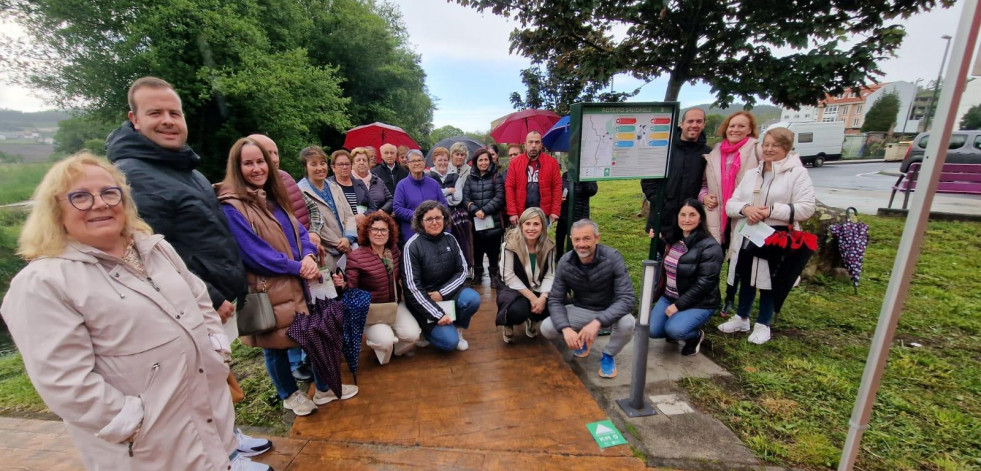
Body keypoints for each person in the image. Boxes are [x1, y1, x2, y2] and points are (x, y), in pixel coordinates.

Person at [0, 153, 263, 470]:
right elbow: (64, 382)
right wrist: (132, 422)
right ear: (56, 210)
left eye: (109, 193)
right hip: (148, 448)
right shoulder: (43, 283)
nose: (99, 204)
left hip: (209, 421)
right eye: (80, 197)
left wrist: (216, 350)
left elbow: (199, 299)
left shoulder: (154, 248)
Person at [105, 76, 271, 462]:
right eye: (155, 113)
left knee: (214, 374)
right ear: (134, 119)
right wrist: (210, 297)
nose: (168, 120)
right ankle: (222, 458)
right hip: (191, 303)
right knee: (195, 382)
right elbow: (148, 253)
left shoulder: (185, 168)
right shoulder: (135, 176)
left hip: (214, 293)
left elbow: (202, 230)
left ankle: (228, 436)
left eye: (174, 113)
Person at [218, 138, 358, 417]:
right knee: (273, 344)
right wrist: (298, 266)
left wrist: (307, 255)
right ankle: (289, 395)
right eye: (249, 163)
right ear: (236, 166)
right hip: (266, 285)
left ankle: (323, 388)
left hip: (299, 279)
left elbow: (300, 231)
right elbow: (254, 253)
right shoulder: (231, 206)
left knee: (312, 331)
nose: (257, 168)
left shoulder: (273, 196)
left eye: (262, 161)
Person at [718, 127, 815, 345]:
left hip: (776, 236)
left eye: (775, 145)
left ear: (787, 148)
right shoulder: (752, 174)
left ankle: (764, 323)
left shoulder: (797, 174)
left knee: (771, 278)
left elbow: (807, 208)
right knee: (745, 274)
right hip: (749, 233)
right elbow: (731, 203)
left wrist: (771, 211)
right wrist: (746, 209)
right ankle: (742, 317)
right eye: (766, 144)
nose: (769, 149)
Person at [249, 134, 316, 385]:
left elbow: (302, 217)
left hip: (300, 265)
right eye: (266, 154)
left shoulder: (284, 181)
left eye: (274, 153)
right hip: (271, 275)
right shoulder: (240, 197)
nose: (272, 159)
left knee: (302, 320)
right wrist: (299, 265)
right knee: (273, 338)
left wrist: (310, 245)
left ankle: (305, 361)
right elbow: (255, 250)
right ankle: (288, 389)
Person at [543, 219, 636, 379]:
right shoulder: (566, 262)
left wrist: (597, 323)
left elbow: (627, 298)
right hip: (582, 308)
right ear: (571, 239)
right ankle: (582, 340)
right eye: (577, 239)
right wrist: (566, 329)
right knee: (547, 327)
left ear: (597, 238)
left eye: (586, 238)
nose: (581, 244)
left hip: (610, 309)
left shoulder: (612, 258)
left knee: (628, 323)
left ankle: (608, 355)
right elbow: (555, 300)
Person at [701, 111, 761, 314]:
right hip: (717, 214)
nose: (735, 130)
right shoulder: (716, 151)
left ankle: (730, 298)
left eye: (741, 126)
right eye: (732, 126)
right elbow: (703, 185)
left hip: (744, 213)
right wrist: (704, 197)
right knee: (715, 255)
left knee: (738, 258)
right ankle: (712, 296)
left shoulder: (756, 150)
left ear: (750, 129)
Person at [402, 201, 481, 352]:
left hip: (447, 293)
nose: (435, 222)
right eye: (429, 219)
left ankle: (457, 327)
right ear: (420, 221)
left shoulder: (450, 239)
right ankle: (425, 330)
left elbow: (463, 270)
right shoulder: (412, 246)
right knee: (449, 343)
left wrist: (442, 293)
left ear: (445, 219)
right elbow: (412, 288)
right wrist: (437, 314)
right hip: (425, 301)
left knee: (472, 299)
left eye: (439, 217)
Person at [342, 212, 421, 364]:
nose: (379, 233)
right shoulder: (356, 256)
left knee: (413, 335)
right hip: (371, 310)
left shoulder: (394, 251)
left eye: (384, 230)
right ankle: (383, 348)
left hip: (393, 305)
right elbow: (351, 289)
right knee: (385, 341)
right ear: (367, 231)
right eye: (375, 229)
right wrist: (343, 285)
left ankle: (395, 350)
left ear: (389, 233)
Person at [647, 199, 723, 356]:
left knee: (675, 330)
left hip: (699, 302)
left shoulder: (710, 247)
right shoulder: (674, 239)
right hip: (670, 297)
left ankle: (694, 336)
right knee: (652, 330)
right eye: (683, 215)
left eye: (692, 215)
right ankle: (675, 325)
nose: (687, 219)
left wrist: (679, 306)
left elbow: (705, 283)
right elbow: (670, 260)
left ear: (700, 218)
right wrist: (656, 239)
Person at [641, 108, 711, 255]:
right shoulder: (664, 149)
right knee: (659, 266)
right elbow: (648, 181)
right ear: (681, 124)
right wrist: (661, 203)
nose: (694, 125)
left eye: (699, 121)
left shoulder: (708, 154)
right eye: (690, 121)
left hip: (691, 223)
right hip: (663, 220)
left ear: (704, 124)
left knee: (687, 266)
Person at [496, 207, 555, 343]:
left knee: (557, 302)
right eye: (527, 224)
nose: (531, 228)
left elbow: (550, 274)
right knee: (517, 311)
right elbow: (509, 276)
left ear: (543, 226)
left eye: (536, 224)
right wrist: (533, 298)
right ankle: (508, 323)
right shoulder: (509, 245)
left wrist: (543, 297)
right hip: (514, 287)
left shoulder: (549, 246)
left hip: (538, 285)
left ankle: (533, 319)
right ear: (521, 225)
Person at [297, 147, 358, 270]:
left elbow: (349, 214)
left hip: (348, 246)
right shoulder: (300, 192)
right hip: (326, 252)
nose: (320, 168)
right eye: (313, 164)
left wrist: (348, 238)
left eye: (322, 163)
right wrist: (339, 243)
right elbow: (312, 223)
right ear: (306, 167)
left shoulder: (334, 186)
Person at [463, 147, 505, 286]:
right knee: (478, 250)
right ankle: (478, 274)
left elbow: (500, 197)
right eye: (480, 160)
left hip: (493, 221)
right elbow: (466, 197)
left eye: (486, 159)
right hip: (476, 221)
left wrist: (485, 210)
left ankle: (494, 275)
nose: (483, 162)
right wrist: (475, 210)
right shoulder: (470, 178)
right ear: (475, 162)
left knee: (493, 250)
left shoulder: (496, 176)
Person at [505, 131, 562, 226]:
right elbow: (509, 187)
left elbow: (557, 187)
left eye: (537, 142)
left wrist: (555, 211)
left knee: (542, 240)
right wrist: (512, 212)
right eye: (530, 142)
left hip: (543, 214)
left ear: (541, 145)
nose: (534, 145)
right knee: (521, 240)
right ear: (525, 145)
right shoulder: (514, 163)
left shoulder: (552, 163)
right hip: (521, 214)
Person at [392, 150, 447, 244]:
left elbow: (444, 205)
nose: (417, 163)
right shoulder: (402, 185)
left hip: (434, 232)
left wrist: (433, 217)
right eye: (413, 161)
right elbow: (397, 208)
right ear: (408, 164)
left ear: (424, 163)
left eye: (419, 160)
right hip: (412, 233)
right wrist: (419, 216)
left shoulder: (433, 183)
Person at [555, 171, 598, 256]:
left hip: (580, 213)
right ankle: (559, 256)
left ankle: (578, 256)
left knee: (579, 236)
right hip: (564, 212)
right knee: (560, 235)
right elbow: (560, 188)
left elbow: (592, 190)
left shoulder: (588, 175)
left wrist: (583, 179)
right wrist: (560, 195)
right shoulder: (566, 175)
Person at [448, 142, 475, 275]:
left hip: (464, 209)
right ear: (451, 155)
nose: (459, 157)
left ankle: (467, 268)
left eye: (462, 154)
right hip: (448, 209)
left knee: (466, 240)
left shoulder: (470, 170)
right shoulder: (445, 168)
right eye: (456, 154)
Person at [328, 150, 367, 228]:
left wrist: (363, 215)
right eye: (340, 164)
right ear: (333, 167)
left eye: (347, 164)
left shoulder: (360, 183)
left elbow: (372, 207)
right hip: (340, 229)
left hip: (361, 228)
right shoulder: (328, 185)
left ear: (351, 165)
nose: (345, 167)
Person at [351, 146, 393, 213]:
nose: (362, 163)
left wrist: (383, 210)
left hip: (377, 219)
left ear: (368, 163)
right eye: (358, 160)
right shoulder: (348, 181)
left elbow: (390, 200)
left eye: (364, 160)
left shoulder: (377, 180)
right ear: (352, 164)